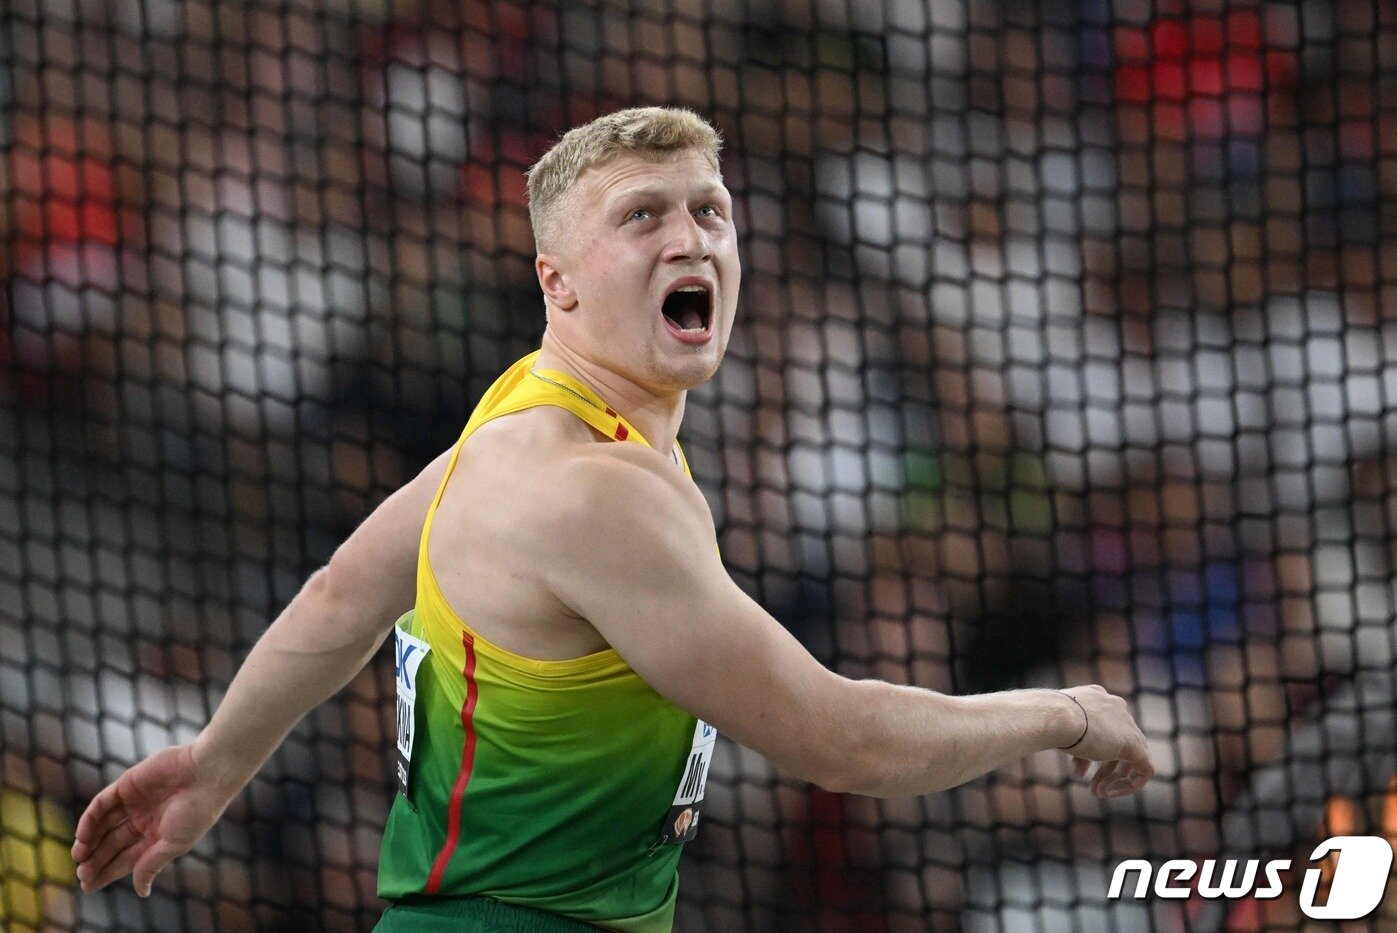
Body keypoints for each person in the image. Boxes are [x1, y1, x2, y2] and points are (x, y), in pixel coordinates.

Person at [71, 107, 1154, 931]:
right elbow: (839, 739)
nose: (690, 239)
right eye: (642, 216)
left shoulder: (521, 422)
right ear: (558, 283)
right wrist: (1060, 711)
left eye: (708, 212)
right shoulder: (590, 491)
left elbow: (341, 595)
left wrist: (217, 759)